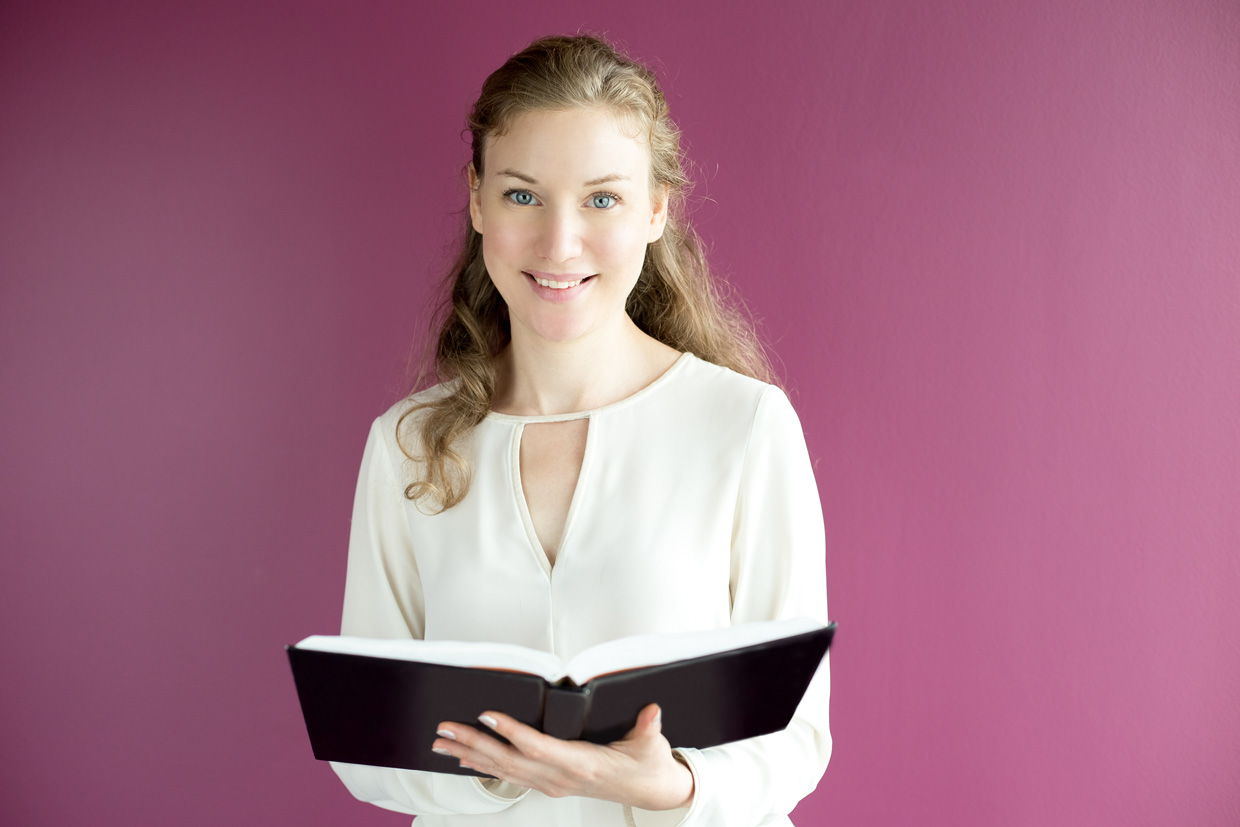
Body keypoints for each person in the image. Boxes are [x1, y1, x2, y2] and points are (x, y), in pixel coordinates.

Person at [330, 33, 831, 826]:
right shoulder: (406, 444)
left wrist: (668, 785)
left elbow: (797, 735)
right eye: (522, 195)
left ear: (657, 208)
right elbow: (365, 740)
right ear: (476, 199)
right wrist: (506, 772)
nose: (560, 245)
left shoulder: (744, 427)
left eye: (602, 199)